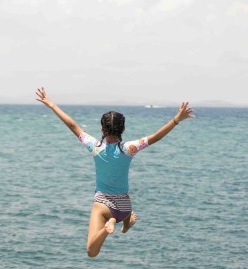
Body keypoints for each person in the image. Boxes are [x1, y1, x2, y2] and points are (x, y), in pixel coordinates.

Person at [35, 87, 193, 257]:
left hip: (103, 205)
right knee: (125, 218)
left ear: (102, 130)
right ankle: (125, 224)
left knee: (92, 251)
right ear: (122, 129)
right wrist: (176, 119)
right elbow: (155, 137)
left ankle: (108, 225)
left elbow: (72, 125)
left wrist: (51, 104)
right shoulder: (129, 148)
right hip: (125, 206)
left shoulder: (95, 147)